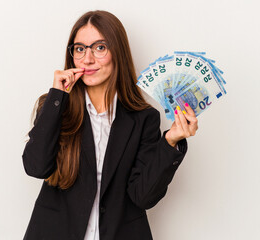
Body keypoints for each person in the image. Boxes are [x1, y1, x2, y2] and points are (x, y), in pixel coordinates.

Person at [22, 10, 198, 240]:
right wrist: (57, 96)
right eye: (80, 48)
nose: (87, 59)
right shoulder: (55, 106)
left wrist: (170, 142)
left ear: (118, 52)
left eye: (100, 47)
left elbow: (142, 197)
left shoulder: (144, 118)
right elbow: (35, 167)